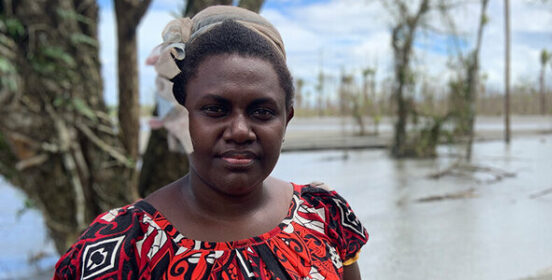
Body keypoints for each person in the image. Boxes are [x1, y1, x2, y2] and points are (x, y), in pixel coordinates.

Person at [53, 6, 368, 280]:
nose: (240, 131)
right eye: (215, 109)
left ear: (286, 119)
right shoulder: (124, 248)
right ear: (183, 116)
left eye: (262, 111)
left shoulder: (323, 214)